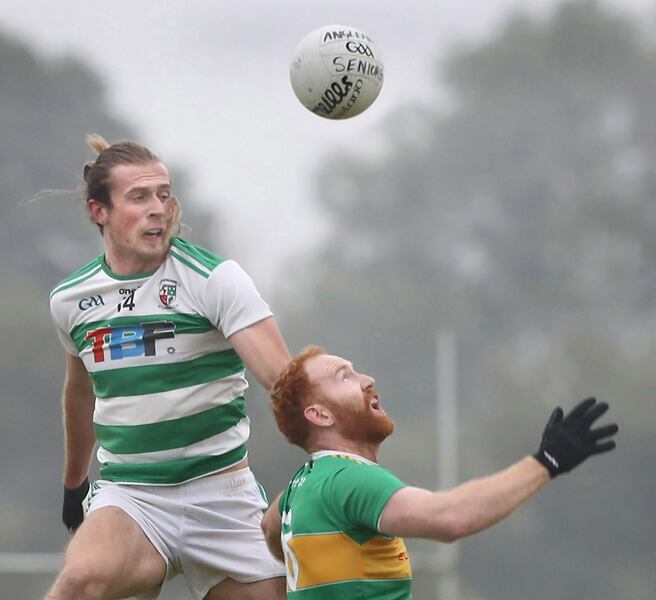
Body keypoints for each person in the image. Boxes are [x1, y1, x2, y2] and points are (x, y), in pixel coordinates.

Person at [45, 135, 290, 600]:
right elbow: (81, 391)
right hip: (133, 497)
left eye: (164, 193)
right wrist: (74, 482)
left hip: (223, 495)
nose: (159, 207)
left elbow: (284, 382)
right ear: (100, 211)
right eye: (139, 197)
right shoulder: (70, 300)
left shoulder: (214, 279)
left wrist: (333, 457)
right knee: (76, 584)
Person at [261, 346, 619, 599]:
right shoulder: (351, 478)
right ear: (321, 416)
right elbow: (449, 518)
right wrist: (547, 461)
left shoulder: (301, 485)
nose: (367, 379)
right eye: (345, 377)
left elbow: (269, 526)